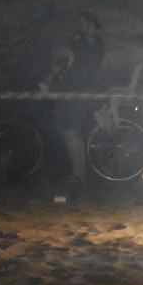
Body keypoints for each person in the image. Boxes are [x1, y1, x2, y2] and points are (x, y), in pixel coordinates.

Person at [42, 12, 105, 181]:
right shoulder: (84, 41)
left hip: (78, 92)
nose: (80, 25)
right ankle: (78, 172)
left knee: (71, 131)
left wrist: (66, 54)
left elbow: (78, 62)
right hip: (73, 91)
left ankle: (78, 173)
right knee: (70, 131)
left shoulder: (91, 43)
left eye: (83, 22)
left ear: (90, 23)